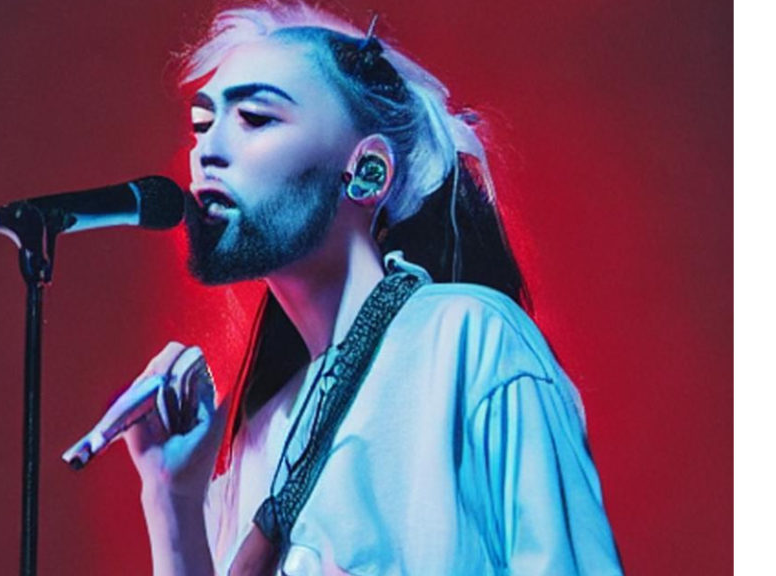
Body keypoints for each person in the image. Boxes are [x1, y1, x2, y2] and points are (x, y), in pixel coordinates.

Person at [117, 2, 624, 574]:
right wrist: (172, 501)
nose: (206, 152)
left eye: (256, 118)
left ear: (368, 172)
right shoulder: (260, 438)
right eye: (202, 125)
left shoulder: (468, 340)